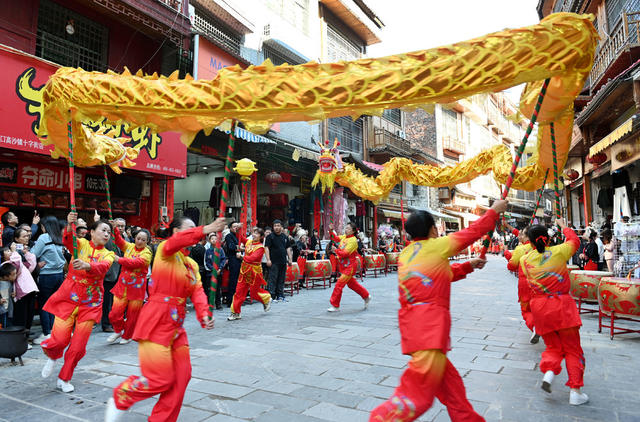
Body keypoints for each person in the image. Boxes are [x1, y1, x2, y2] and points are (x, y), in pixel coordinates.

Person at [370, 199, 508, 422]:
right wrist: (493, 211)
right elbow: (472, 232)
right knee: (417, 397)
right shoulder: (437, 246)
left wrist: (468, 265)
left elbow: (434, 277)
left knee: (453, 389)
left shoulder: (406, 254)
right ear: (433, 229)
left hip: (416, 328)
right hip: (429, 329)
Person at [105, 216, 224, 422]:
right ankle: (122, 396)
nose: (192, 233)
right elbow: (178, 242)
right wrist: (206, 229)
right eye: (188, 229)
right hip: (156, 321)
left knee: (181, 377)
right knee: (159, 379)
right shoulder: (165, 251)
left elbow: (197, 291)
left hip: (177, 326)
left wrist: (204, 313)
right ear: (175, 231)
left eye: (194, 230)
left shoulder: (190, 265)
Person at [40, 213, 115, 393]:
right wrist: (69, 223)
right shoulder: (80, 244)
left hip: (91, 302)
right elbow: (66, 239)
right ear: (92, 232)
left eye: (109, 232)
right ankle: (53, 355)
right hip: (69, 296)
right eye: (103, 230)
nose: (106, 234)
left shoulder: (109, 254)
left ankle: (64, 378)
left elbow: (104, 267)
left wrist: (89, 266)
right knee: (59, 339)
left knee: (78, 346)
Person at [520, 219, 588, 406]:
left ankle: (549, 374)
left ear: (531, 242)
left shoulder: (525, 260)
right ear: (547, 239)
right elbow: (575, 240)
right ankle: (575, 391)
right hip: (562, 306)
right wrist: (563, 225)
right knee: (572, 349)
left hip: (541, 309)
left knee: (553, 348)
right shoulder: (559, 251)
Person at [107, 226, 152, 345]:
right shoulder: (129, 247)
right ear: (134, 238)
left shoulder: (147, 253)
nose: (140, 241)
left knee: (132, 316)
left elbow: (135, 263)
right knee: (114, 314)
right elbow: (118, 240)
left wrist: (119, 259)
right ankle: (118, 329)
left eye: (143, 240)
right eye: (138, 238)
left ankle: (127, 335)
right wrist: (114, 228)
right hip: (122, 286)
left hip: (137, 289)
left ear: (147, 241)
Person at [31, 216, 66, 344]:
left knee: (44, 305)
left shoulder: (44, 237)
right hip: (59, 275)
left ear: (44, 226)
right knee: (54, 304)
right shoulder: (59, 238)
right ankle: (54, 330)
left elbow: (33, 253)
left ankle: (47, 333)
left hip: (47, 275)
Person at [503, 226, 539, 344]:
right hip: (542, 281)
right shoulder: (543, 247)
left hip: (525, 283)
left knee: (526, 310)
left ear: (528, 236)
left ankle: (535, 327)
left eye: (522, 235)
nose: (520, 236)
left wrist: (506, 252)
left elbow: (511, 265)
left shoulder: (521, 249)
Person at [228, 227, 272, 320]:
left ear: (261, 237)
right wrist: (238, 229)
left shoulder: (260, 248)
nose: (254, 234)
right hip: (244, 271)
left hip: (254, 273)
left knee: (254, 293)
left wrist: (241, 257)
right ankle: (235, 312)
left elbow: (252, 258)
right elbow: (240, 237)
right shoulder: (249, 242)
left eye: (256, 233)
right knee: (239, 292)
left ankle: (266, 298)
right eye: (254, 232)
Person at [326, 222, 370, 312]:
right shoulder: (345, 237)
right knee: (351, 284)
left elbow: (345, 253)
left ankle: (335, 305)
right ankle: (366, 296)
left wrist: (336, 250)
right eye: (346, 228)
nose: (346, 230)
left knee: (339, 284)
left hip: (350, 266)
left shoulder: (353, 240)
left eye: (348, 229)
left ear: (353, 231)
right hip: (344, 265)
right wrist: (331, 230)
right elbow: (336, 238)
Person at [10, 228, 39, 339]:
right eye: (24, 236)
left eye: (27, 236)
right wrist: (13, 252)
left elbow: (31, 267)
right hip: (20, 288)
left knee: (29, 315)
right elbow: (15, 268)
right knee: (21, 316)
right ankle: (20, 339)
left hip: (29, 287)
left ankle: (26, 338)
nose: (27, 238)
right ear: (16, 239)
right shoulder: (12, 251)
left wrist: (27, 253)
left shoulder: (24, 251)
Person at [265, 220, 292, 302]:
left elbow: (288, 248)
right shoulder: (270, 237)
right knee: (272, 278)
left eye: (278, 225)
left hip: (283, 261)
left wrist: (290, 259)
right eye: (275, 226)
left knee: (281, 278)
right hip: (273, 261)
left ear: (281, 227)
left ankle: (280, 295)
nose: (276, 227)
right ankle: (271, 296)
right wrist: (268, 259)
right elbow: (266, 248)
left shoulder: (284, 237)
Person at [204, 232, 226, 310]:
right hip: (210, 273)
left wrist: (220, 268)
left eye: (215, 239)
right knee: (210, 289)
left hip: (219, 272)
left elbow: (223, 260)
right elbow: (207, 262)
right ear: (209, 240)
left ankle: (218, 304)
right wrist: (213, 269)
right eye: (212, 239)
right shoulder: (208, 251)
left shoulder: (220, 249)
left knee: (218, 288)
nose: (214, 240)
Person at [224, 222, 242, 306]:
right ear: (230, 228)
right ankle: (230, 300)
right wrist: (239, 248)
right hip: (233, 259)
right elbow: (231, 247)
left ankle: (236, 298)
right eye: (234, 227)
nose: (235, 228)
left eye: (236, 227)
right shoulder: (229, 236)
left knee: (237, 280)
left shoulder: (236, 236)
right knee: (233, 280)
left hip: (238, 259)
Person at [0, 260, 17, 328]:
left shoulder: (9, 282)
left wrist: (12, 293)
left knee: (8, 325)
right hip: (2, 310)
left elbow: (9, 292)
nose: (16, 276)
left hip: (8, 309)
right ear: (6, 276)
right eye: (13, 274)